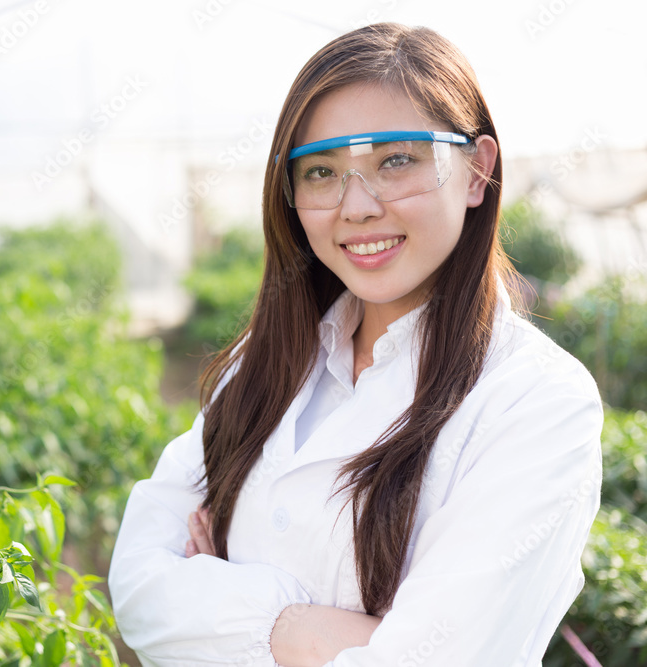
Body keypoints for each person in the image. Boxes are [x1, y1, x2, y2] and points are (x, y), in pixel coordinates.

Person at [106, 21, 604, 667]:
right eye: (322, 172)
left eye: (396, 160)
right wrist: (332, 631)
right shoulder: (270, 363)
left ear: (477, 171)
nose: (358, 206)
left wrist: (223, 600)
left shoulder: (537, 402)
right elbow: (140, 584)